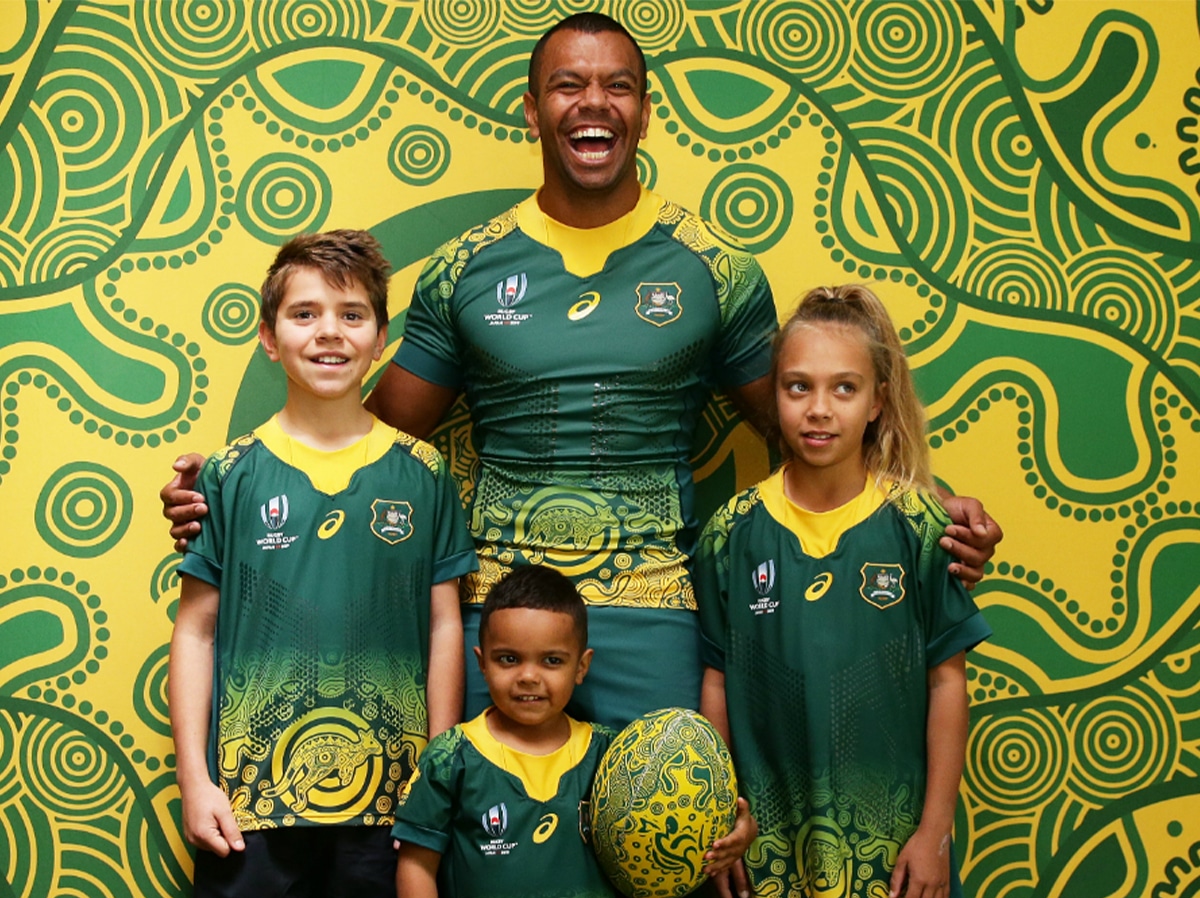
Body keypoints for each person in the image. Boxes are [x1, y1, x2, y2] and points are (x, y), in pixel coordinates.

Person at [161, 14, 1001, 732]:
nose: (593, 103)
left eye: (618, 86)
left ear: (642, 110)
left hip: (658, 614)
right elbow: (363, 434)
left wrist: (925, 506)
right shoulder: (466, 269)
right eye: (568, 85)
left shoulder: (717, 269)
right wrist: (231, 489)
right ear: (533, 110)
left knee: (673, 855)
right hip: (500, 612)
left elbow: (808, 431)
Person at [168, 230, 477, 898]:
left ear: (380, 334)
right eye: (304, 314)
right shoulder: (229, 473)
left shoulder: (423, 474)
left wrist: (436, 770)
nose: (329, 333)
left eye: (352, 314)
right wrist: (195, 780)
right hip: (249, 806)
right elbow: (195, 630)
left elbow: (445, 625)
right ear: (269, 337)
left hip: (389, 808)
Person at [697, 285, 993, 898]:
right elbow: (717, 683)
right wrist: (723, 812)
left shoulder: (919, 528)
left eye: (844, 388)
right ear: (774, 393)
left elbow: (948, 681)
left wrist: (936, 831)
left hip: (893, 856)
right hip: (770, 854)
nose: (819, 409)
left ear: (878, 401)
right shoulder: (731, 533)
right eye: (798, 386)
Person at [393, 564, 752, 898]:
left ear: (581, 667)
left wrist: (740, 832)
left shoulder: (614, 757)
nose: (529, 676)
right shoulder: (450, 758)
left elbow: (690, 821)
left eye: (552, 661)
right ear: (481, 663)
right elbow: (415, 866)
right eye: (508, 659)